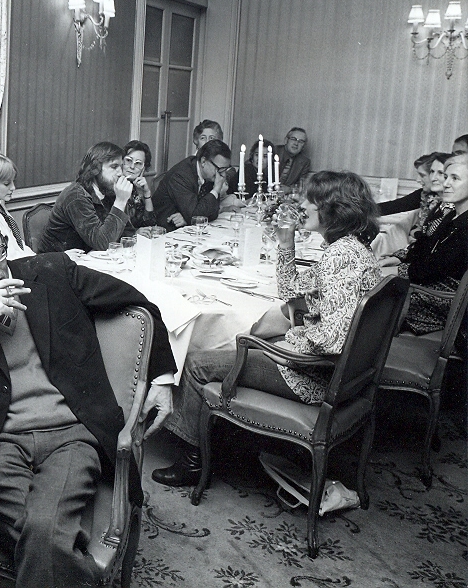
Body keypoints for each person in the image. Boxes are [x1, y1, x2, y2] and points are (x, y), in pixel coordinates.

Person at [0, 207, 177, 587]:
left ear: (4, 243)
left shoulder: (53, 271)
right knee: (48, 534)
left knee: (41, 526)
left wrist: (163, 379)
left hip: (71, 434)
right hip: (2, 443)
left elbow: (141, 305)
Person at [153, 171, 381, 487]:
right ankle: (219, 431)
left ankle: (192, 461)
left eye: (310, 201)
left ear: (332, 209)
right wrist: (286, 243)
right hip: (345, 375)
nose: (303, 205)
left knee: (197, 363)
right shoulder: (351, 247)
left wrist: (285, 347)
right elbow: (291, 291)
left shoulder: (339, 257)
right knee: (255, 336)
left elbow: (332, 340)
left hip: (312, 377)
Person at [397, 154, 468, 335]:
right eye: (446, 177)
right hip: (430, 291)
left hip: (447, 305)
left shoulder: (464, 227)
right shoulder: (451, 216)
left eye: (455, 178)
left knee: (374, 302)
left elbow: (429, 269)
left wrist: (399, 270)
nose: (446, 184)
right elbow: (423, 251)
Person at [37, 142, 134, 253]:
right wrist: (120, 201)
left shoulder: (108, 190)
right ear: (95, 169)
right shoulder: (76, 196)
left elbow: (126, 234)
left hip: (88, 258)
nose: (120, 173)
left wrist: (123, 200)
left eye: (121, 166)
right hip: (61, 261)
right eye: (114, 166)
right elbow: (102, 243)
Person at [151, 139, 233, 229]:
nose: (223, 175)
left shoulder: (209, 175)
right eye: (220, 169)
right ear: (203, 162)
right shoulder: (181, 175)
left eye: (225, 169)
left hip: (186, 228)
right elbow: (196, 215)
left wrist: (188, 218)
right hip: (164, 229)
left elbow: (213, 213)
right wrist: (216, 190)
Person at [122, 140, 159, 229]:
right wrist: (134, 233)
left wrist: (146, 193)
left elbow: (150, 223)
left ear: (144, 168)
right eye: (128, 160)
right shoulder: (112, 186)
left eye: (138, 163)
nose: (132, 167)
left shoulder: (135, 188)